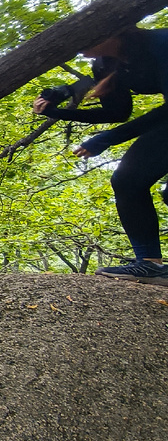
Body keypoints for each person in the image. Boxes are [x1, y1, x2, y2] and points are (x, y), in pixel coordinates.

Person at [32, 24, 168, 286]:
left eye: (83, 37)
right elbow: (117, 112)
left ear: (114, 29)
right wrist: (57, 111)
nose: (77, 48)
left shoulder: (160, 43)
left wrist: (106, 139)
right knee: (128, 180)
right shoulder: (106, 65)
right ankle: (151, 265)